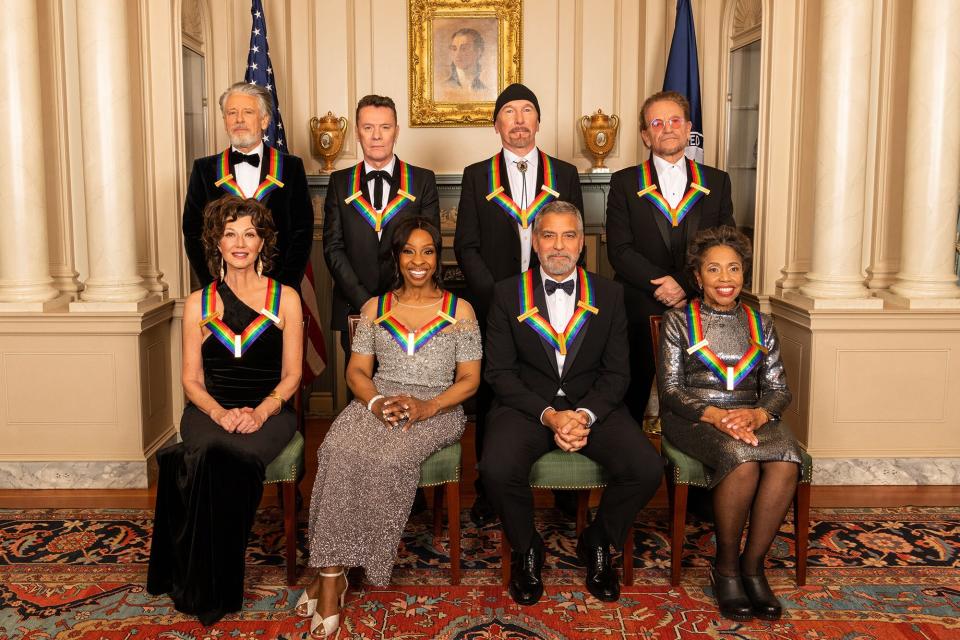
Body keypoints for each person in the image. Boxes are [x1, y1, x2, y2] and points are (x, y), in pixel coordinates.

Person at [299, 218, 481, 638]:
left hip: (437, 407)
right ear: (397, 257)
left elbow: (469, 381)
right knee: (336, 449)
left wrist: (427, 406)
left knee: (388, 457)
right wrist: (379, 402)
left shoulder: (460, 311)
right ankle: (332, 572)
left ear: (438, 256)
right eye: (409, 251)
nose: (419, 261)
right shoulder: (373, 308)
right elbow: (358, 372)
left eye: (428, 251)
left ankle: (332, 576)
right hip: (377, 400)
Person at [480, 201, 663, 606]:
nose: (558, 246)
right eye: (549, 235)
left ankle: (597, 540)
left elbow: (617, 374)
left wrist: (581, 415)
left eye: (568, 236)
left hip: (591, 407)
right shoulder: (508, 293)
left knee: (647, 467)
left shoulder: (611, 295)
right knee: (495, 467)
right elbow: (500, 374)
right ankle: (528, 548)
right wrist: (549, 416)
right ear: (535, 241)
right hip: (527, 407)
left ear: (582, 242)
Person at [148, 195, 303, 625]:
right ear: (215, 241)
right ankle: (209, 582)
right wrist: (220, 414)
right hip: (207, 409)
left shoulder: (286, 298)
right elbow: (190, 380)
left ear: (262, 243)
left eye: (249, 234)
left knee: (222, 459)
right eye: (230, 233)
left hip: (270, 412)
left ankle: (209, 583)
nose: (239, 243)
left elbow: (292, 376)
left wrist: (260, 412)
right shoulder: (198, 302)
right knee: (214, 453)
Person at [454, 83, 584, 527]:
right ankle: (490, 490)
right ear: (497, 125)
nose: (519, 119)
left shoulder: (564, 173)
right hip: (497, 306)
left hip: (557, 304)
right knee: (494, 393)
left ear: (538, 121)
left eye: (527, 110)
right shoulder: (477, 175)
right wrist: (497, 300)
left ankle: (568, 489)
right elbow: (466, 245)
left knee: (561, 385)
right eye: (510, 112)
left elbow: (577, 242)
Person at [658, 226, 802, 622]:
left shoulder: (763, 325)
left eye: (734, 269)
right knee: (742, 459)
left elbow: (778, 390)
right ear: (698, 276)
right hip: (694, 417)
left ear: (744, 275)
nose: (725, 279)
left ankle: (752, 567)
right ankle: (724, 568)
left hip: (750, 415)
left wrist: (757, 414)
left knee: (788, 458)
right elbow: (670, 391)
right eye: (715, 270)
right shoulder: (677, 321)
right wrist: (718, 417)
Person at [606, 90, 734, 425]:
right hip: (639, 303)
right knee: (630, 392)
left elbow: (722, 245)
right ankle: (629, 457)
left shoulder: (717, 182)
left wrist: (684, 285)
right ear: (646, 134)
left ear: (688, 127)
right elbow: (619, 250)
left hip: (699, 304)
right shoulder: (624, 183)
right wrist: (661, 286)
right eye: (657, 122)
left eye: (675, 120)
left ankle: (694, 462)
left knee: (697, 395)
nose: (667, 128)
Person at [323, 94, 441, 354]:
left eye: (385, 127)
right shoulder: (340, 182)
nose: (376, 136)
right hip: (355, 306)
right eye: (368, 128)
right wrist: (364, 301)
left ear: (396, 132)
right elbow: (333, 248)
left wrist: (399, 300)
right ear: (357, 132)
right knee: (361, 388)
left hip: (410, 306)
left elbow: (428, 247)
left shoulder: (422, 180)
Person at [183, 82, 314, 290]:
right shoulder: (204, 169)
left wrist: (282, 287)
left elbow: (302, 231)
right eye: (232, 113)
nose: (239, 119)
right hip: (221, 290)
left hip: (277, 290)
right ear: (225, 121)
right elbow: (192, 232)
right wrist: (215, 285)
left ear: (264, 120)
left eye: (248, 112)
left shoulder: (291, 167)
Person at [441, 28, 488, 97]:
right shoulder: (443, 87)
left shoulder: (485, 90)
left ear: (478, 52)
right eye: (454, 49)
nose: (457, 54)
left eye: (464, 48)